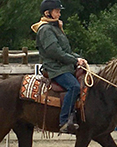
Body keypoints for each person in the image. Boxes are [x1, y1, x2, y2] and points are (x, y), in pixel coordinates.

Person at [31, 0, 88, 133]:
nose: (59, 13)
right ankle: (64, 120)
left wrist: (78, 58)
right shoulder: (45, 29)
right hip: (55, 68)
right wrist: (74, 60)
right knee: (73, 86)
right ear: (47, 13)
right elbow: (54, 52)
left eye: (59, 11)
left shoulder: (54, 28)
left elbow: (65, 51)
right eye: (57, 11)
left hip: (63, 66)